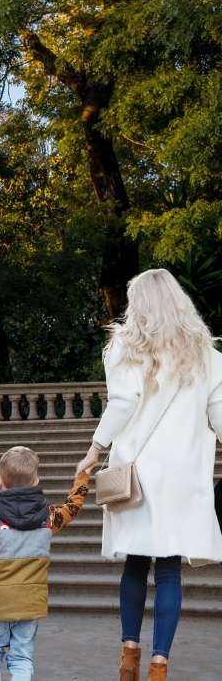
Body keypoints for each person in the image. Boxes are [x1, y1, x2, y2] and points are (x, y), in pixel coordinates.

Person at [73, 268, 222, 681]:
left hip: (138, 472)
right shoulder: (207, 354)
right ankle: (160, 664)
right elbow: (220, 414)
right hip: (183, 474)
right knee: (170, 569)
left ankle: (128, 656)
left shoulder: (125, 348)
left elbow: (122, 402)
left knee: (136, 564)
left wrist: (95, 449)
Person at [0, 446, 90, 681]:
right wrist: (82, 475)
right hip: (29, 602)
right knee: (22, 657)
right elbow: (73, 507)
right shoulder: (48, 516)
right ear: (36, 480)